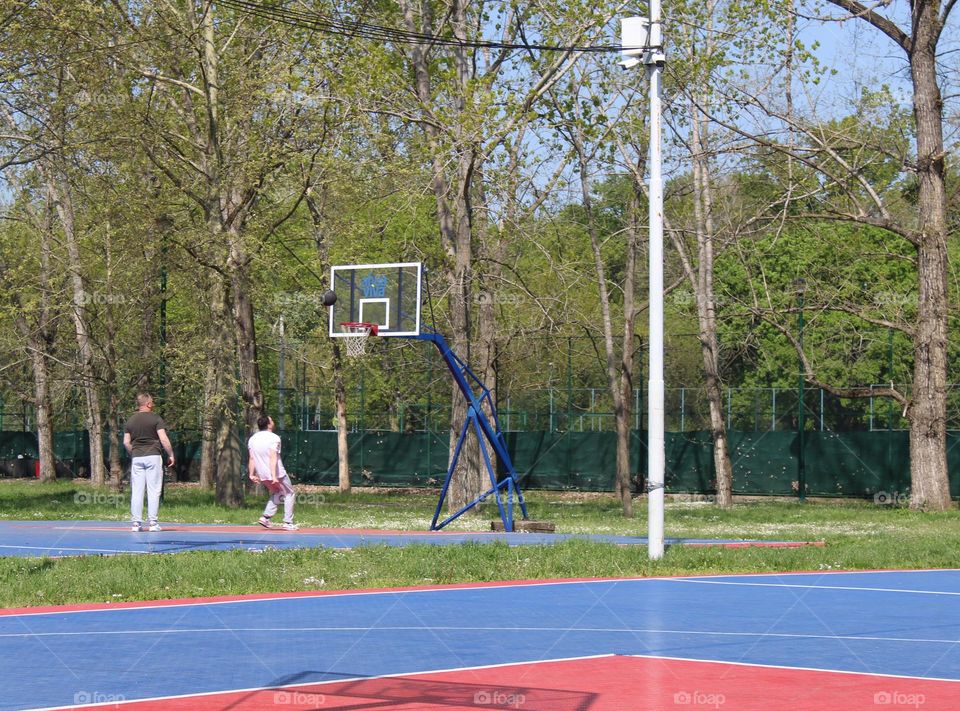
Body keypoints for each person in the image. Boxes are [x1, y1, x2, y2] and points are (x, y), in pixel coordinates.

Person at [123, 393, 175, 532]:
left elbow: (126, 442)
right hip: (153, 457)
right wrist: (170, 454)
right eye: (152, 401)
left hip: (137, 458)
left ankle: (136, 524)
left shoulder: (130, 420)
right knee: (154, 490)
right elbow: (163, 439)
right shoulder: (156, 418)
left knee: (137, 491)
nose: (153, 404)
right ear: (148, 404)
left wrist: (134, 453)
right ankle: (153, 523)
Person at [247, 415, 298, 531]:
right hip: (277, 473)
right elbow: (273, 456)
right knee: (289, 494)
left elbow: (251, 458)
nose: (273, 421)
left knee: (277, 492)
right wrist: (274, 476)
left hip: (262, 474)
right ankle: (288, 522)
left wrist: (251, 474)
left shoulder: (252, 439)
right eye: (272, 420)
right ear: (269, 424)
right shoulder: (274, 438)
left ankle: (265, 517)